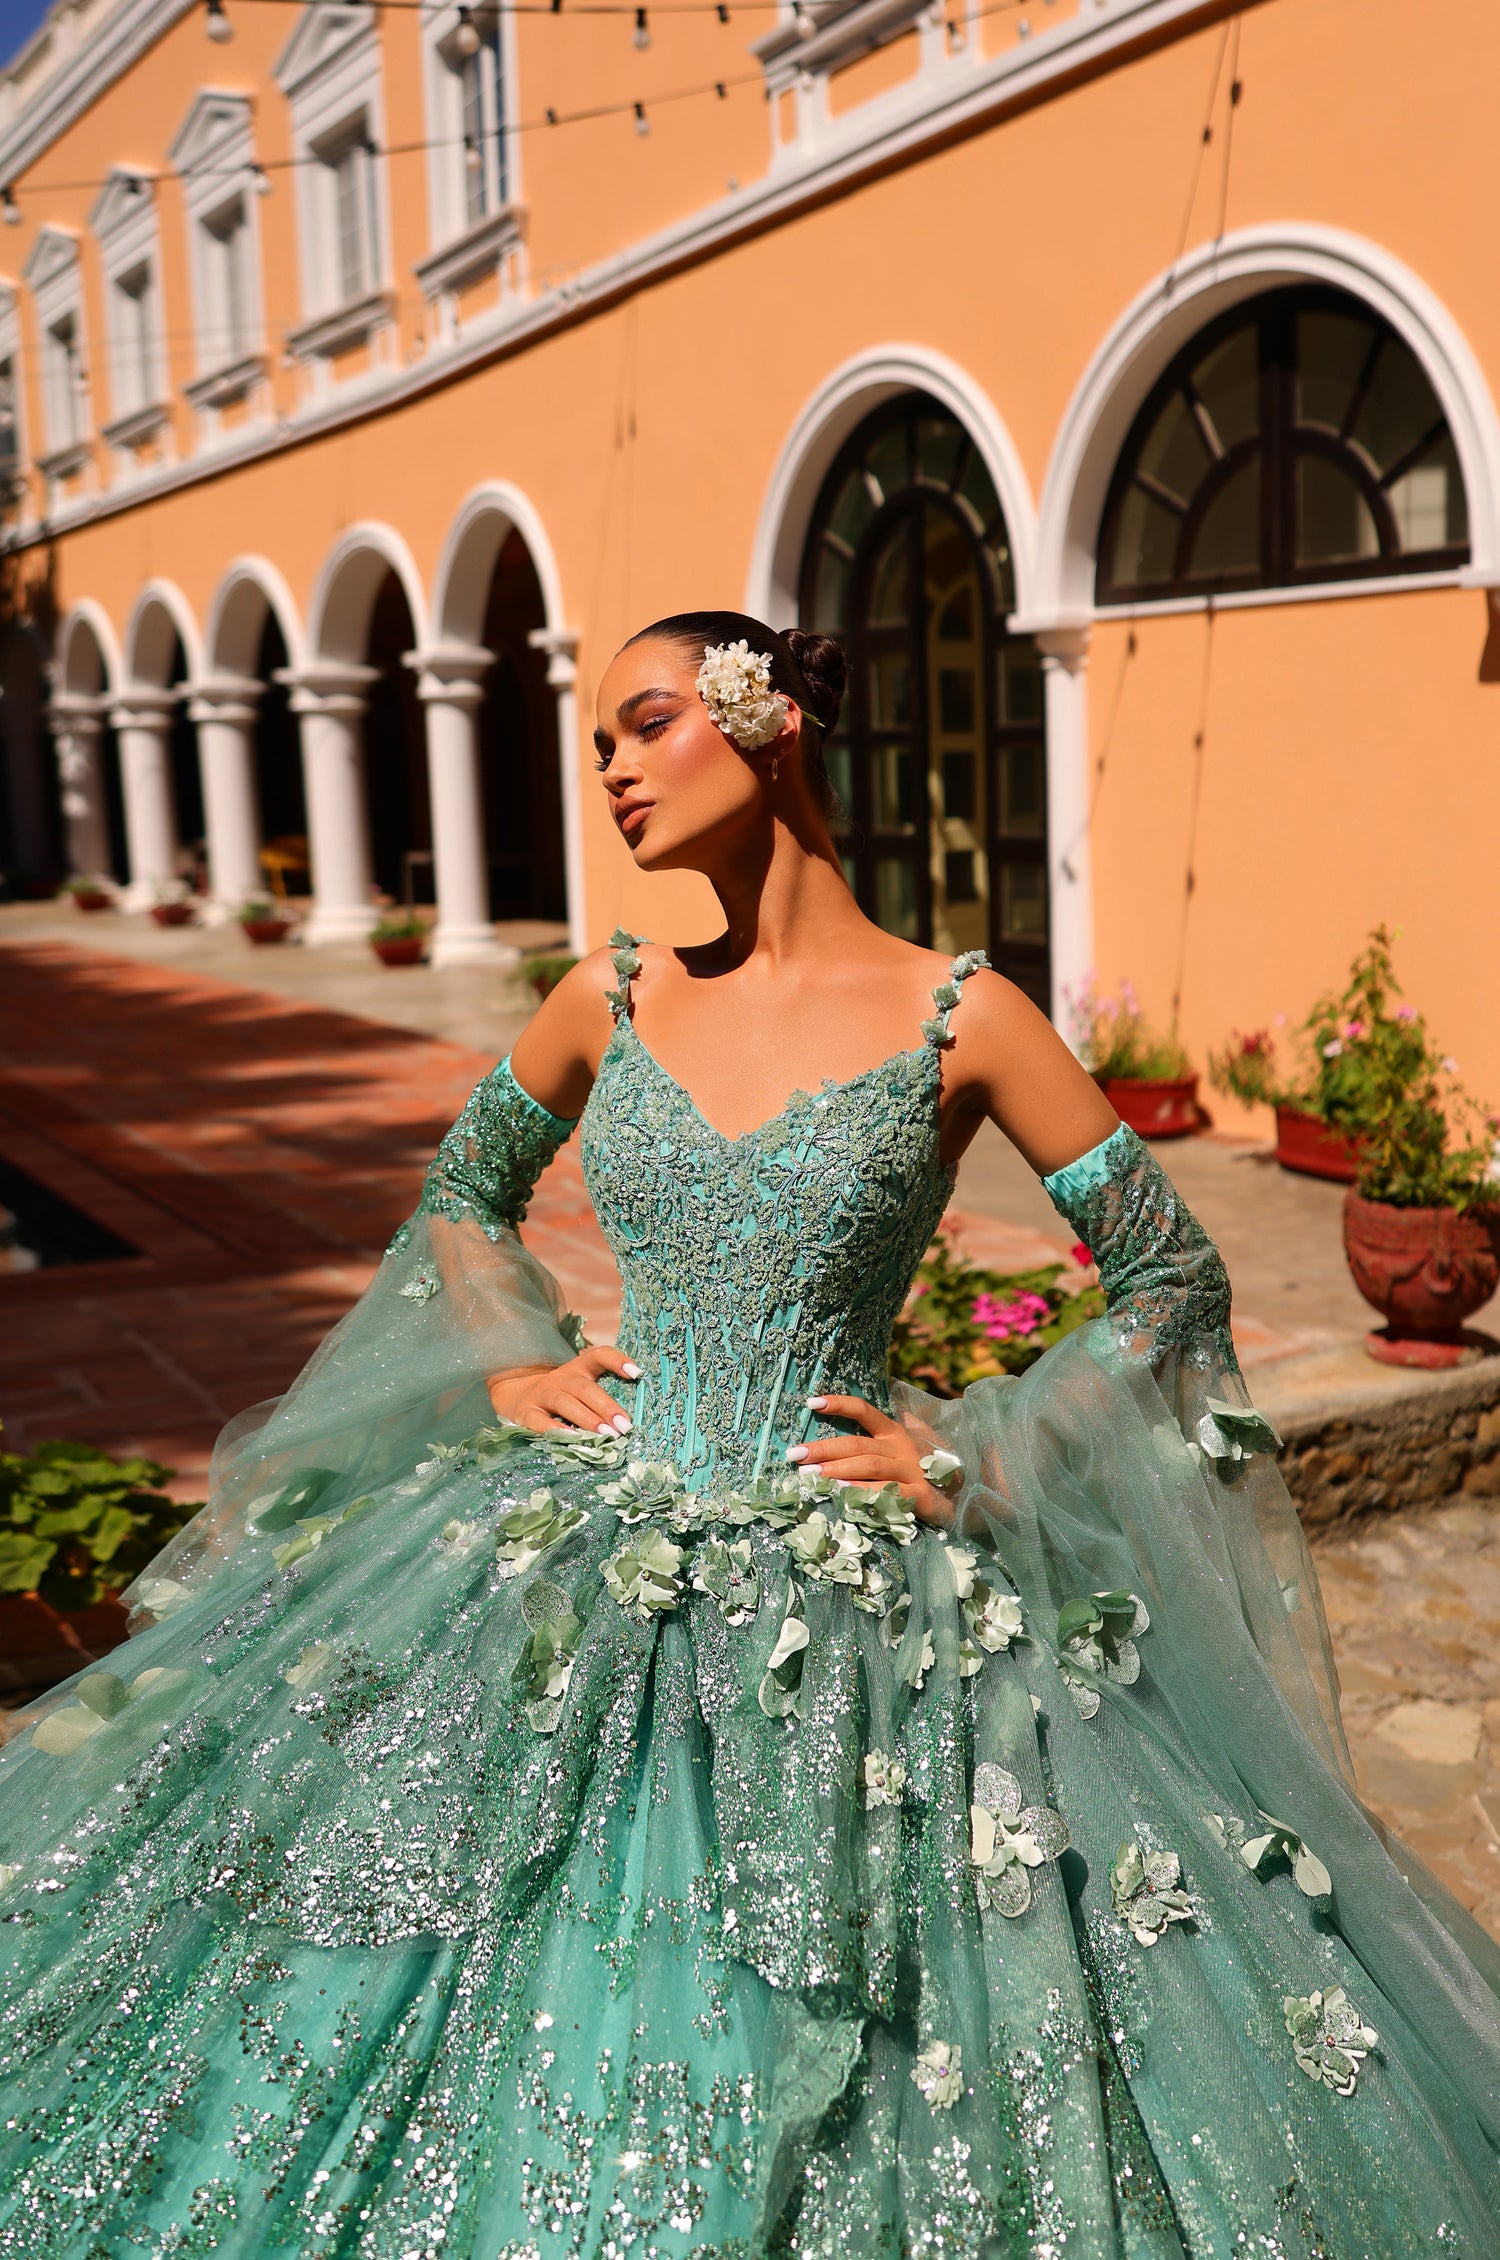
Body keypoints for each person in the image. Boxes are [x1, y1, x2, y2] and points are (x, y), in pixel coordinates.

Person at [2, 613, 1499, 2260]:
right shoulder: (608, 992)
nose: (614, 771)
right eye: (597, 745)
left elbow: (1167, 1277)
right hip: (585, 1552)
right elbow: (461, 1198)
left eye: (646, 724)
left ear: (769, 719)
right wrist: (512, 1361)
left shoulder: (963, 1016)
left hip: (855, 1602)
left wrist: (985, 1454)